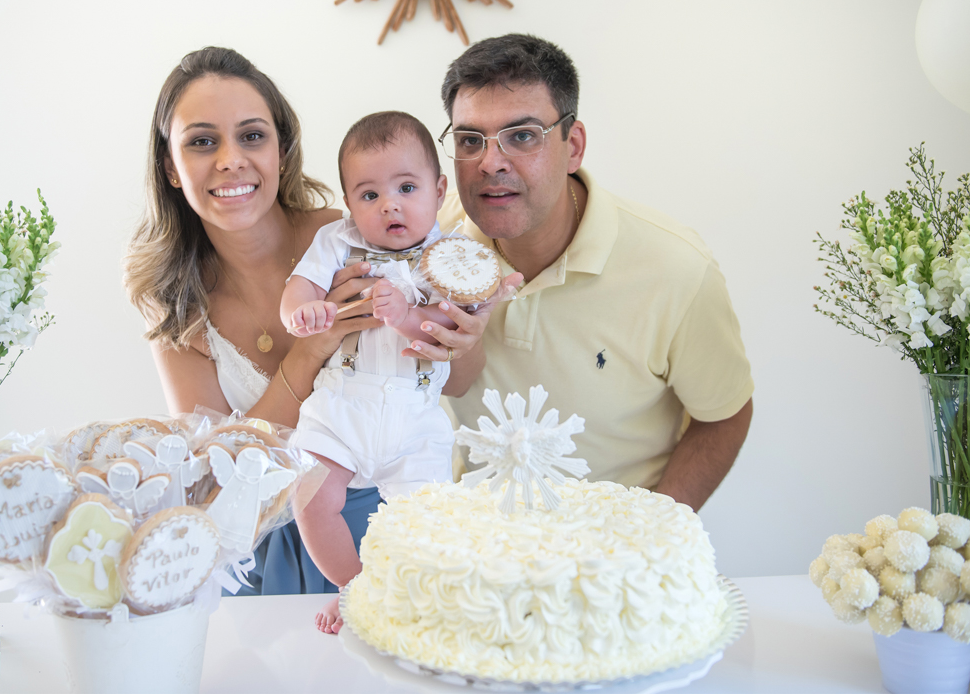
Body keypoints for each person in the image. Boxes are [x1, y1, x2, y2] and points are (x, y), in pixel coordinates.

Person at [123, 47, 497, 599]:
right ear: (171, 168)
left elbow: (458, 381)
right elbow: (217, 475)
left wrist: (456, 331)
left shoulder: (356, 236)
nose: (230, 160)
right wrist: (312, 349)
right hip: (261, 550)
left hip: (381, 516)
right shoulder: (176, 303)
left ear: (282, 149)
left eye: (252, 136)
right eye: (202, 142)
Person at [436, 34, 754, 511]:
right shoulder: (429, 245)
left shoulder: (677, 270)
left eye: (522, 136)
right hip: (474, 553)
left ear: (574, 145)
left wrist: (653, 531)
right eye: (469, 140)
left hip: (613, 561)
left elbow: (725, 415)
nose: (490, 163)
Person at [281, 111, 516, 633]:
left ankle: (415, 596)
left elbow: (450, 325)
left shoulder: (449, 254)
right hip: (344, 404)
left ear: (437, 191)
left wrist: (407, 316)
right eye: (368, 195)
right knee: (312, 495)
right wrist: (302, 312)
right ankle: (352, 587)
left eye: (406, 187)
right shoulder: (338, 242)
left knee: (429, 521)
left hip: (414, 418)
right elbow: (299, 287)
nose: (389, 204)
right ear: (349, 206)